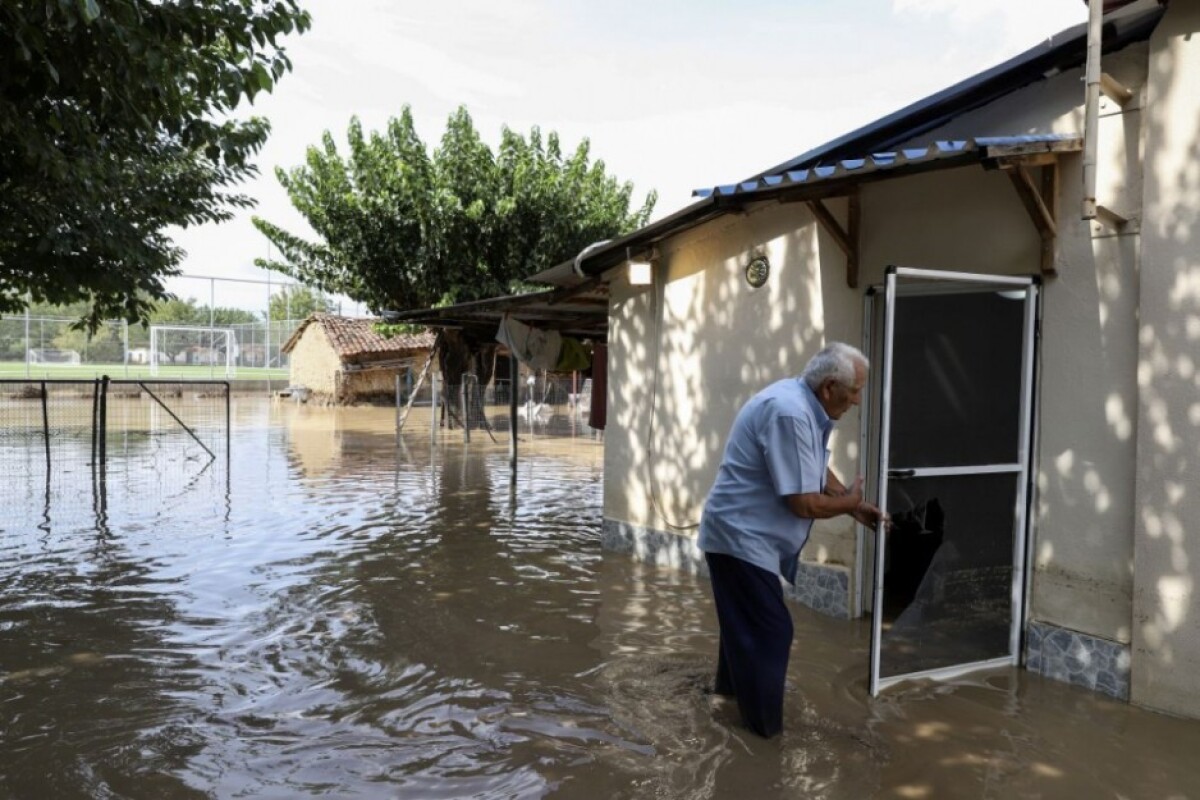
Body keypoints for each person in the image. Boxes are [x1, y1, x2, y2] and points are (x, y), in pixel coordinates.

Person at [698, 341, 887, 738]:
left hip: (745, 537)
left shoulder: (802, 405)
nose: (857, 401)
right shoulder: (789, 412)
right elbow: (803, 504)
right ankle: (764, 738)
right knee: (771, 631)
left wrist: (851, 504)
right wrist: (849, 502)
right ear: (830, 387)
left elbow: (811, 466)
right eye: (854, 391)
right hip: (740, 537)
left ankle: (726, 704)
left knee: (746, 627)